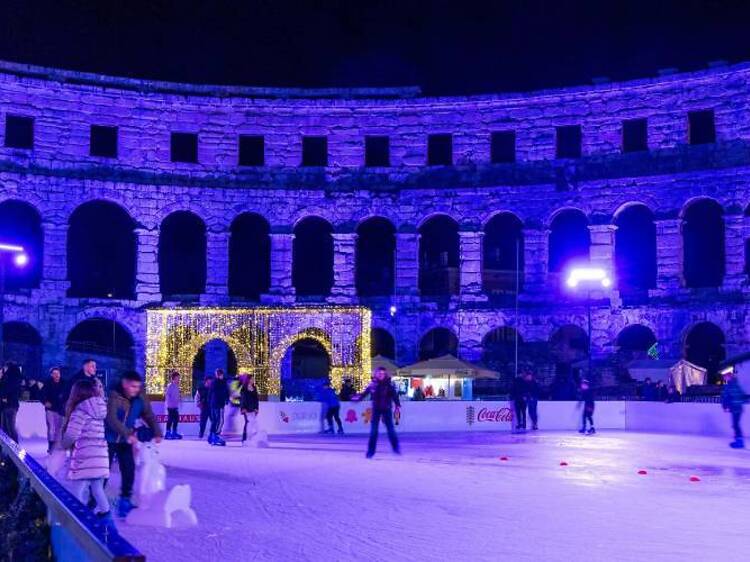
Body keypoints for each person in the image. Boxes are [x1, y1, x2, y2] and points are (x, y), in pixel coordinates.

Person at [105, 371, 162, 518]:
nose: (136, 389)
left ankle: (124, 501)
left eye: (138, 386)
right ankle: (93, 501)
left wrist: (157, 431)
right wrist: (128, 434)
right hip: (109, 439)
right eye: (133, 386)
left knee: (129, 470)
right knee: (104, 472)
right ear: (124, 384)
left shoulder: (140, 397)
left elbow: (148, 415)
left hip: (125, 441)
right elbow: (111, 419)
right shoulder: (114, 395)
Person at [61, 378, 110, 519]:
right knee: (97, 488)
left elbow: (71, 434)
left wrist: (64, 444)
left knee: (78, 487)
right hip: (100, 457)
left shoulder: (80, 412)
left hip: (85, 457)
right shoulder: (99, 411)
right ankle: (105, 514)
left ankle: (77, 517)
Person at [353, 367, 401, 458]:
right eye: (379, 374)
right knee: (374, 431)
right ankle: (371, 451)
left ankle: (395, 447)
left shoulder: (389, 385)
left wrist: (397, 405)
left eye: (383, 374)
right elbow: (364, 394)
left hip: (386, 409)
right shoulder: (373, 385)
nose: (381, 375)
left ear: (385, 375)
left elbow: (394, 395)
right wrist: (357, 398)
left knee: (390, 429)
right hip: (376, 410)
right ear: (376, 374)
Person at [41, 366, 67, 452]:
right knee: (51, 428)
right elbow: (41, 394)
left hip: (61, 410)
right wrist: (45, 402)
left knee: (60, 429)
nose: (56, 375)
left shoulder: (64, 383)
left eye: (58, 373)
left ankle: (58, 446)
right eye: (54, 374)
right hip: (51, 410)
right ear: (51, 375)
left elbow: (69, 395)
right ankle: (51, 446)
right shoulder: (48, 383)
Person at [721, 370, 748, 449]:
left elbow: (725, 397)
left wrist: (724, 406)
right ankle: (739, 441)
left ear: (729, 377)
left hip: (735, 407)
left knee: (735, 425)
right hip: (739, 408)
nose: (725, 378)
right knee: (736, 424)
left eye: (725, 377)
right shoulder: (737, 385)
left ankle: (739, 442)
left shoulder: (728, 386)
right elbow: (742, 395)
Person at [0, 362, 22, 442]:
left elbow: (5, 390)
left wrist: (3, 396)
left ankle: (14, 447)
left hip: (9, 405)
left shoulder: (9, 378)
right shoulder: (14, 378)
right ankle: (10, 448)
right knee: (6, 428)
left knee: (9, 427)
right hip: (8, 405)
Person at [207, 369, 229, 446]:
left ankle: (211, 435)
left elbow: (225, 392)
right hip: (218, 404)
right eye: (219, 374)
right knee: (219, 421)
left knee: (215, 420)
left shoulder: (217, 382)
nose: (221, 376)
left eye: (221, 374)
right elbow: (220, 393)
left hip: (214, 404)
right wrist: (225, 398)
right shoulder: (218, 383)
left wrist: (226, 398)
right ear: (217, 375)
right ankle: (215, 435)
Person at [239, 374, 260, 445]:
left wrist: (256, 408)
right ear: (248, 380)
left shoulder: (254, 388)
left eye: (253, 379)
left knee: (252, 423)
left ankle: (251, 438)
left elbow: (256, 399)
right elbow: (242, 399)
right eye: (251, 379)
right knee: (248, 423)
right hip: (246, 408)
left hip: (252, 408)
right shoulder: (244, 388)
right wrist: (243, 408)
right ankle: (245, 439)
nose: (253, 380)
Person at [164, 371, 183, 440]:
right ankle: (167, 433)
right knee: (170, 419)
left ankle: (174, 432)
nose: (178, 379)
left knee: (176, 419)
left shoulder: (177, 386)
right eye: (177, 377)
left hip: (175, 406)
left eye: (179, 378)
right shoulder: (170, 386)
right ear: (174, 378)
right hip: (171, 406)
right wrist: (170, 403)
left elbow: (177, 395)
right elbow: (167, 395)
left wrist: (179, 400)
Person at [195, 375, 213, 439]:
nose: (210, 381)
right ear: (206, 381)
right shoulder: (200, 389)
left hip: (211, 408)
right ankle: (201, 433)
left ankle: (212, 433)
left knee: (213, 421)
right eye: (209, 380)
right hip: (204, 407)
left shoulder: (212, 388)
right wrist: (199, 404)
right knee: (203, 422)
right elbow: (197, 397)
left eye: (211, 380)